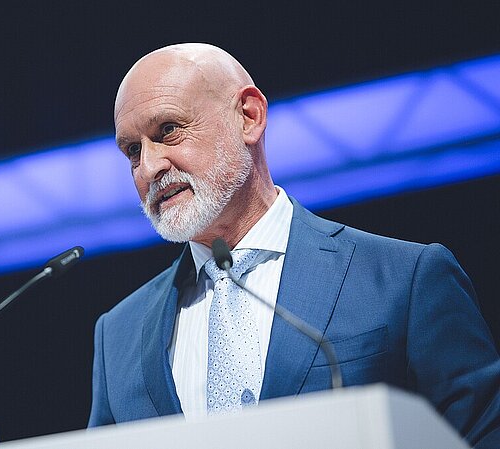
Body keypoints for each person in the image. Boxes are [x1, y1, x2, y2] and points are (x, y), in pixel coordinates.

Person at [88, 43, 500, 448]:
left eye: (168, 130)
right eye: (133, 150)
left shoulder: (404, 280)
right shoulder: (118, 334)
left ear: (249, 117)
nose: (149, 167)